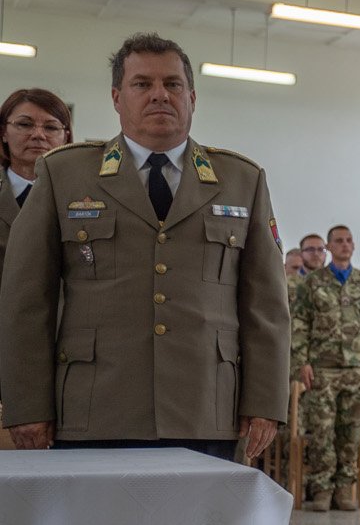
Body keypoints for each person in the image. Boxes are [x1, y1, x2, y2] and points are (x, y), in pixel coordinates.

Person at [1, 33, 289, 459]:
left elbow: (266, 306)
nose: (159, 95)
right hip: (95, 407)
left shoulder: (242, 180)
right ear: (117, 98)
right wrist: (27, 405)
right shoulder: (65, 175)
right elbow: (27, 301)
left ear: (192, 98)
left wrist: (265, 402)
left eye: (172, 84)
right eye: (142, 84)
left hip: (206, 407)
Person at [292, 223, 360, 509]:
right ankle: (321, 488)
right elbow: (300, 323)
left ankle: (344, 488)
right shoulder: (313, 283)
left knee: (352, 431)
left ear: (353, 246)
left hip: (357, 368)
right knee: (322, 431)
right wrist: (302, 361)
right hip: (323, 368)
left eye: (348, 240)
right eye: (338, 241)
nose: (344, 245)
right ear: (329, 247)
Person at [1, 87, 72, 294]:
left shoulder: (81, 195)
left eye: (51, 127)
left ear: (65, 137)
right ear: (3, 132)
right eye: (25, 124)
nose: (38, 135)